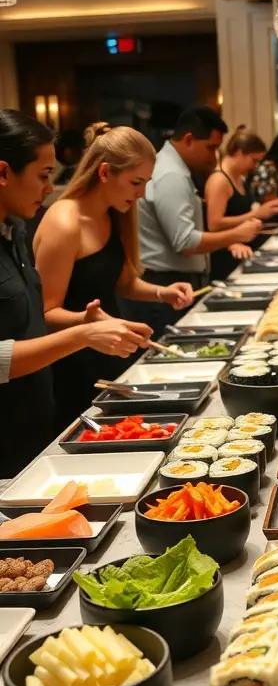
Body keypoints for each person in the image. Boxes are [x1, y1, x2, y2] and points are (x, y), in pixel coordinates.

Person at [0, 110, 151, 477]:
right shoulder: (59, 220)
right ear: (3, 172)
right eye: (43, 175)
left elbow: (33, 322)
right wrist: (83, 332)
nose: (49, 188)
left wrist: (87, 323)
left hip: (35, 424)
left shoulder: (14, 233)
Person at [33, 123, 188, 430]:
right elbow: (46, 314)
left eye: (146, 183)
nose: (142, 193)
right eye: (136, 182)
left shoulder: (114, 213)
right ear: (104, 173)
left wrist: (162, 292)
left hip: (112, 353)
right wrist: (88, 322)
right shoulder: (64, 222)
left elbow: (124, 283)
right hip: (74, 367)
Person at [127, 106, 262, 335]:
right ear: (189, 139)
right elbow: (185, 242)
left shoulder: (175, 168)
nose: (214, 156)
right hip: (165, 286)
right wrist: (236, 235)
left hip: (173, 284)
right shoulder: (171, 174)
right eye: (210, 147)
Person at [205, 128, 278, 281]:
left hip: (243, 250)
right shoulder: (219, 180)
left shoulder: (239, 178)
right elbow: (214, 224)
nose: (256, 166)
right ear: (239, 153)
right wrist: (255, 214)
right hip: (227, 256)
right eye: (254, 160)